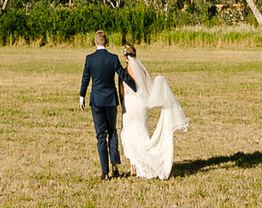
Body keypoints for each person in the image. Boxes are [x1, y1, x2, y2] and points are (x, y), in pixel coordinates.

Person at [116, 42, 189, 180]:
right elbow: (148, 90)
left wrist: (122, 105)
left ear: (125, 57)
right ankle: (145, 161)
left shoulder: (123, 72)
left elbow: (121, 91)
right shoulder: (143, 71)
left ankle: (134, 167)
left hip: (130, 104)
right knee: (142, 133)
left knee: (129, 134)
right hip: (141, 104)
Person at [77, 30, 135, 179]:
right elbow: (123, 74)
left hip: (96, 101)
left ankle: (105, 172)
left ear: (95, 42)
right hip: (110, 101)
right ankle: (115, 164)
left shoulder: (90, 59)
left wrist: (82, 96)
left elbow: (85, 78)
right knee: (112, 132)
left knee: (101, 136)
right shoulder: (113, 58)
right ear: (106, 41)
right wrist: (137, 88)